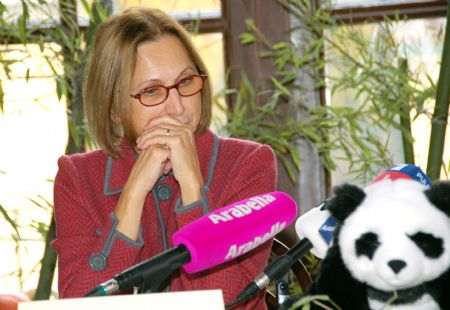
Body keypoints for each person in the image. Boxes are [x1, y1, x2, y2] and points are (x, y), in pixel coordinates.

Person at [52, 7, 277, 309]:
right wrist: (131, 196)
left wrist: (193, 193)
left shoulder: (248, 164)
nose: (178, 108)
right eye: (152, 91)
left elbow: (226, 300)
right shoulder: (77, 178)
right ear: (114, 108)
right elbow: (80, 304)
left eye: (185, 83)